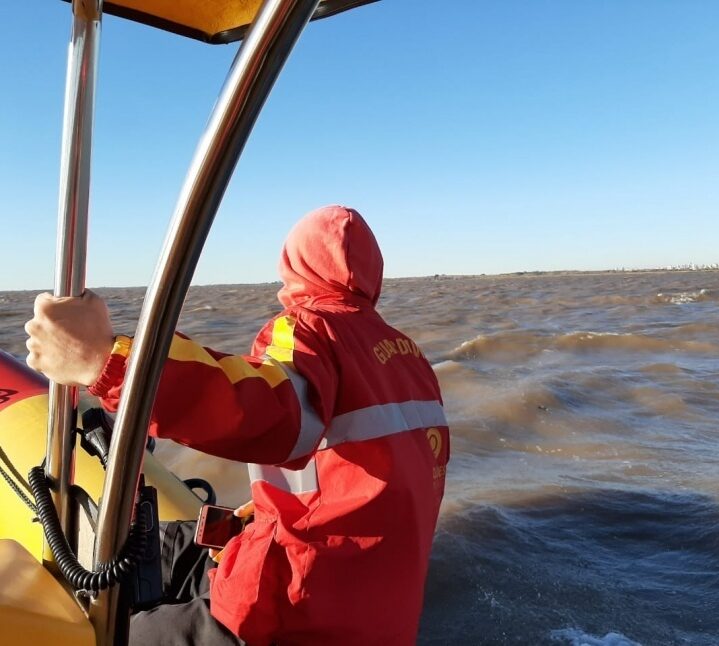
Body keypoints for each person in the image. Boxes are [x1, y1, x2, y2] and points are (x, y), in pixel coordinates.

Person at [24, 205, 449, 645]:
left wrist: (107, 360)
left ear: (296, 267)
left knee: (134, 634)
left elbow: (269, 411)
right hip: (379, 609)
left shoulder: (310, 330)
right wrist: (264, 510)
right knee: (173, 543)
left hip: (298, 613)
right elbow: (361, 474)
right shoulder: (410, 357)